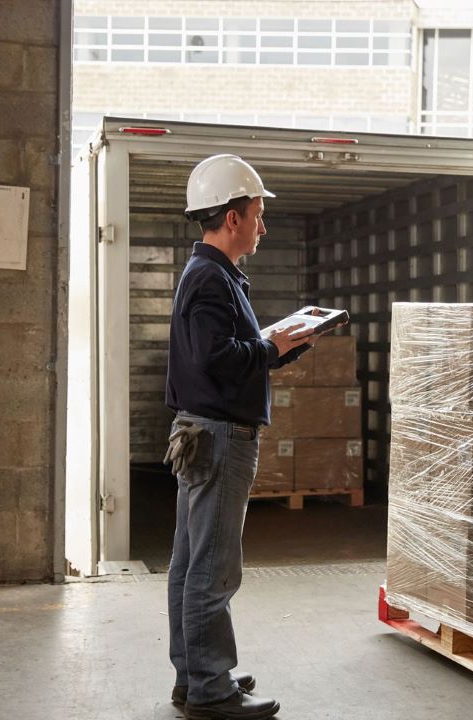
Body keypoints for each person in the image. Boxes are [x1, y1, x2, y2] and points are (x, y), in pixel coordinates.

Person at [165, 153, 315, 720]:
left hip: (205, 431)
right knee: (213, 567)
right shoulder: (210, 277)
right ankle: (210, 687)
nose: (261, 225)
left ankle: (194, 674)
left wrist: (278, 347)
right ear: (232, 217)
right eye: (256, 214)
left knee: (190, 562)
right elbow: (217, 359)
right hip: (220, 438)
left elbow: (224, 358)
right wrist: (270, 347)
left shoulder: (212, 273)